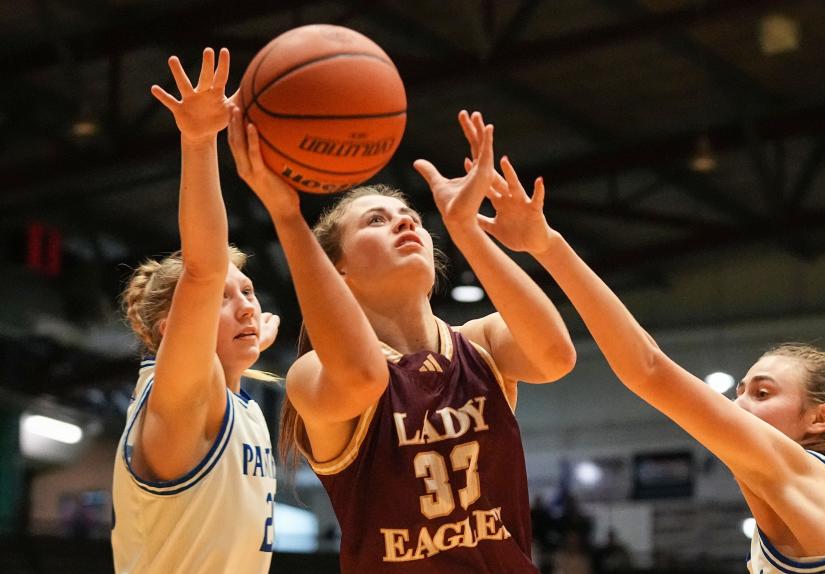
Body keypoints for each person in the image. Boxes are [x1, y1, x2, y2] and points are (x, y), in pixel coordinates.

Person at [462, 134, 825, 573]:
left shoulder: (808, 474)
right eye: (742, 391)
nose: (739, 404)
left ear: (819, 418)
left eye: (763, 393)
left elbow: (648, 368)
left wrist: (548, 246)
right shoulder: (785, 515)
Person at [227, 107, 576, 572]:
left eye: (411, 216)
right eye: (376, 220)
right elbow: (362, 375)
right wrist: (288, 219)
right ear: (339, 272)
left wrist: (466, 229)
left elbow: (556, 357)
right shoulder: (312, 373)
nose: (406, 223)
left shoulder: (482, 343)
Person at [112, 48, 279, 574]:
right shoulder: (178, 396)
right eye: (222, 300)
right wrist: (200, 141)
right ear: (172, 328)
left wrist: (244, 345)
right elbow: (204, 270)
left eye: (249, 291)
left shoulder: (236, 402)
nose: (246, 306)